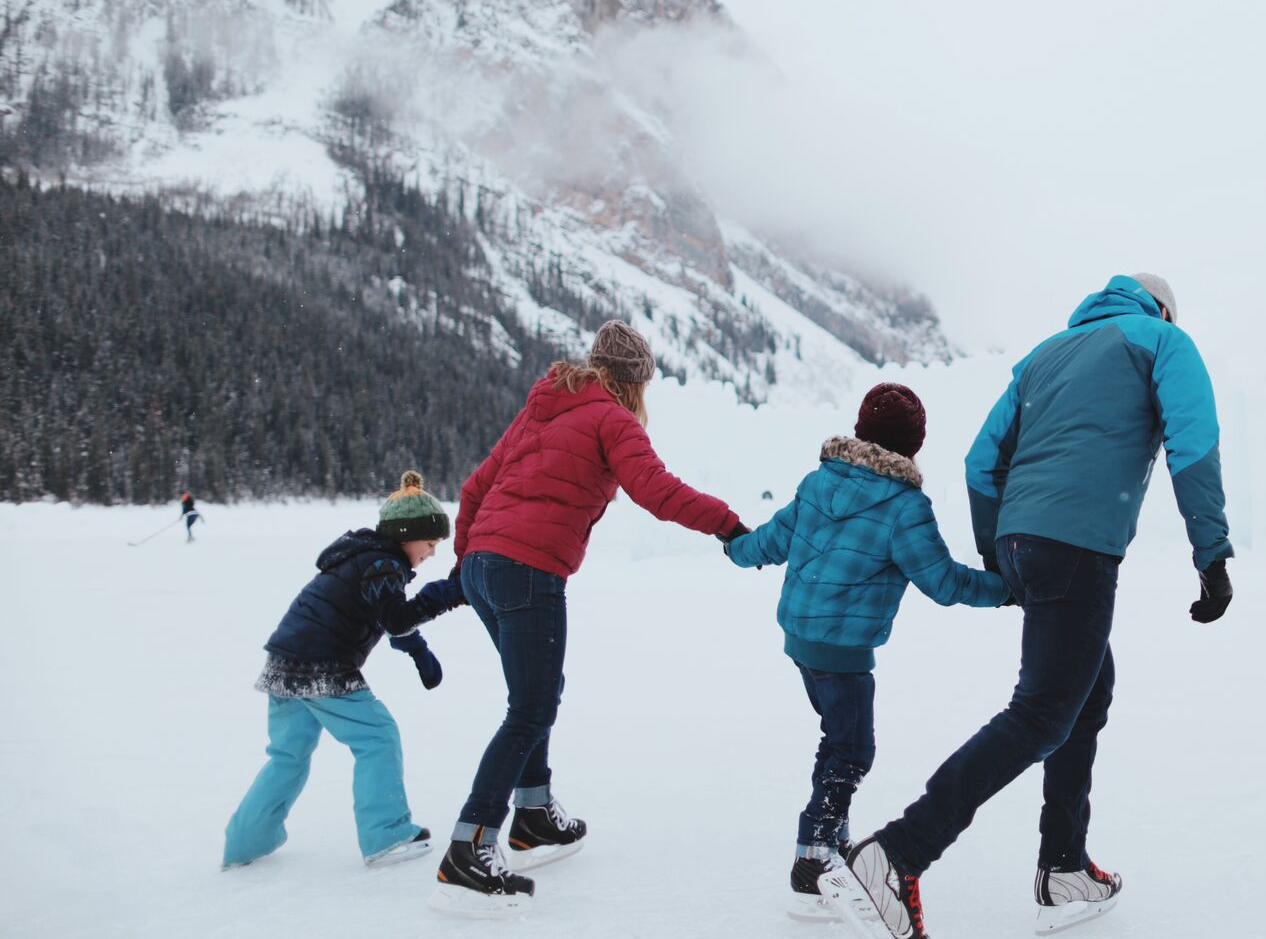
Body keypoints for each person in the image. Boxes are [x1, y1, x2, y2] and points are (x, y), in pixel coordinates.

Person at [820, 274, 1236, 939]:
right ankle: (892, 857)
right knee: (1042, 712)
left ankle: (1064, 866)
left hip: (1024, 540)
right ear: (1160, 308)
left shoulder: (1044, 355)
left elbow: (981, 464)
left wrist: (1001, 553)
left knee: (1088, 689)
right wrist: (1211, 553)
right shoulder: (1163, 340)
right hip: (1076, 545)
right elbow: (1193, 438)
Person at [432, 320, 745, 918]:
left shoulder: (544, 406)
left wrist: (467, 561)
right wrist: (728, 524)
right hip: (526, 570)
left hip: (485, 565)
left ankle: (532, 815)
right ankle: (469, 847)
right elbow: (656, 490)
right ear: (634, 382)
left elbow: (475, 487)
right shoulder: (612, 419)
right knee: (530, 707)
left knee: (538, 694)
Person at [721, 383, 1011, 923]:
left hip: (801, 641)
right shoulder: (904, 506)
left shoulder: (818, 482)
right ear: (913, 446)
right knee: (852, 750)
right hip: (845, 650)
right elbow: (944, 583)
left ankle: (832, 837)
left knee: (837, 739)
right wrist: (1006, 588)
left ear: (859, 431)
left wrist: (735, 546)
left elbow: (770, 541)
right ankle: (813, 858)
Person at [222, 471, 464, 870]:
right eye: (431, 543)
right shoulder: (383, 565)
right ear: (407, 535)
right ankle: (386, 835)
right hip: (323, 664)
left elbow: (387, 617)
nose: (432, 553)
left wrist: (418, 650)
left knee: (287, 755)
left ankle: (245, 841)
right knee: (378, 737)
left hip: (285, 660)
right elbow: (397, 616)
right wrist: (445, 595)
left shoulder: (365, 558)